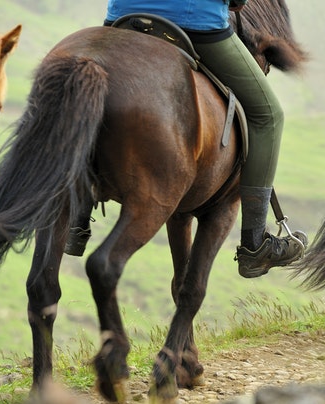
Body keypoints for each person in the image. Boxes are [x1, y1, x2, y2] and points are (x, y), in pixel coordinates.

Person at [100, 0, 306, 277]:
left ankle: (77, 219)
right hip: (194, 19)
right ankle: (255, 244)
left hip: (123, 16)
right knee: (269, 115)